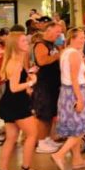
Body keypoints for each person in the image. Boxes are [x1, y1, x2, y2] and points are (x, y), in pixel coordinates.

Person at [50, 28, 85, 170]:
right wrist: (80, 99)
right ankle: (59, 154)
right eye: (81, 37)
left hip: (67, 92)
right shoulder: (74, 55)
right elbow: (74, 79)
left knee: (75, 128)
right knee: (82, 128)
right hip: (75, 92)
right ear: (73, 38)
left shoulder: (66, 52)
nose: (84, 39)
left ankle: (77, 159)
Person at [0, 32, 42, 170]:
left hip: (9, 102)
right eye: (23, 41)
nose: (27, 42)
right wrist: (31, 82)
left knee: (11, 138)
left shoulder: (15, 60)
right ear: (16, 45)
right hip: (17, 103)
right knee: (32, 134)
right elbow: (14, 87)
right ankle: (26, 168)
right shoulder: (15, 63)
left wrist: (28, 77)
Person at [32, 21, 63, 154]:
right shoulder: (40, 44)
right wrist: (57, 56)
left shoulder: (53, 44)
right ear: (48, 31)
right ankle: (41, 141)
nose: (59, 34)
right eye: (57, 31)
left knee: (50, 113)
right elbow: (42, 61)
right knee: (44, 114)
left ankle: (47, 138)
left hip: (53, 83)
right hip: (44, 84)